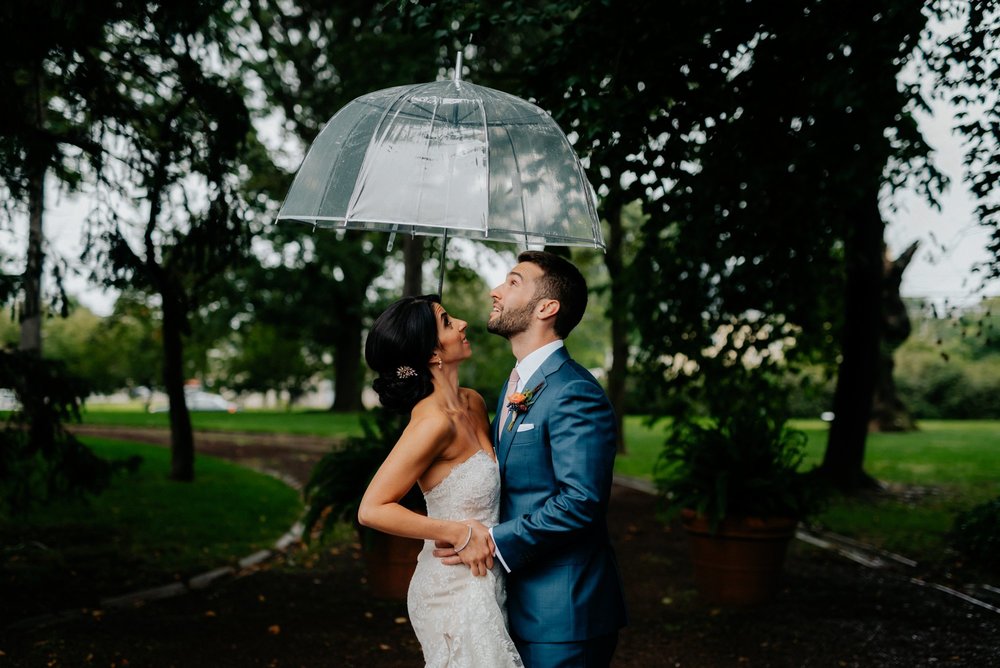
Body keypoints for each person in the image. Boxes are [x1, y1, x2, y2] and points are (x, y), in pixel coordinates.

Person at [436, 250, 628, 667]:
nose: (496, 291)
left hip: (564, 615)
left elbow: (581, 501)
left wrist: (494, 541)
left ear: (546, 307)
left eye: (513, 281)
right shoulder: (517, 383)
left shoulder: (574, 392)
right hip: (515, 601)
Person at [357, 295, 523, 667]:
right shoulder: (431, 424)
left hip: (488, 577)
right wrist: (457, 533)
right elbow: (371, 509)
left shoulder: (474, 403)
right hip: (451, 587)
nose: (463, 323)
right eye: (448, 321)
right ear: (432, 353)